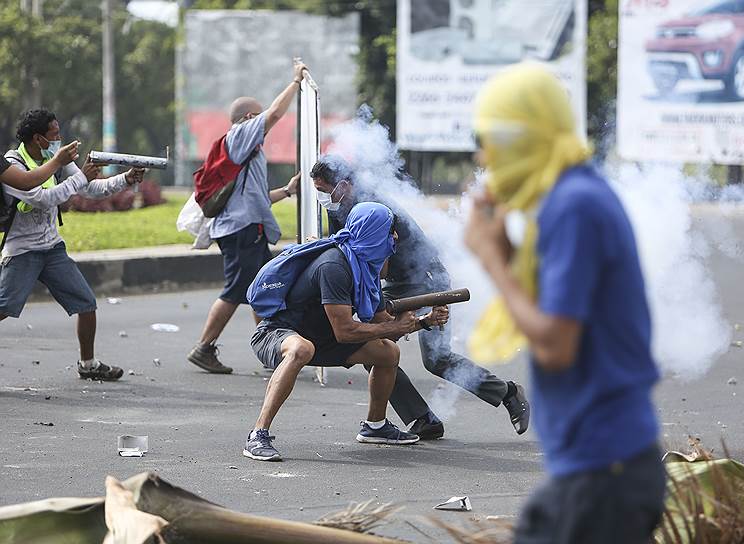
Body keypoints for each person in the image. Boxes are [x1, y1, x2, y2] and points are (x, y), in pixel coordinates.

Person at [463, 63, 665, 543]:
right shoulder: (569, 198)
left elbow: (555, 345)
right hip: (601, 466)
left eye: (487, 139)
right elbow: (552, 313)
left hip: (604, 472)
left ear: (520, 138)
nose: (480, 154)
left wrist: (491, 258)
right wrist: (508, 256)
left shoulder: (573, 207)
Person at [310, 155, 529, 440]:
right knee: (376, 350)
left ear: (343, 185)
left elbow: (377, 259)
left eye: (324, 190)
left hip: (425, 277)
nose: (322, 197)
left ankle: (509, 393)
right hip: (392, 280)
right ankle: (422, 418)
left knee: (436, 358)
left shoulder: (376, 207)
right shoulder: (338, 207)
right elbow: (342, 250)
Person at [244, 202, 448, 461]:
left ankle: (375, 426)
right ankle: (257, 434)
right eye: (389, 231)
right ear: (373, 234)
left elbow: (383, 324)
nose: (395, 237)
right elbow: (345, 332)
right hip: (278, 333)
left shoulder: (366, 268)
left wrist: (425, 321)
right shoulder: (335, 267)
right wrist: (394, 326)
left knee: (387, 353)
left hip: (323, 338)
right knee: (300, 349)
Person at [0, 109, 145, 381]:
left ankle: (88, 364)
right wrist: (80, 176)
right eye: (54, 134)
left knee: (86, 303)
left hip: (52, 247)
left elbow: (90, 189)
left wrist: (125, 178)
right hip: (22, 251)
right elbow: (42, 198)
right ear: (38, 138)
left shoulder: (57, 160)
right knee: (4, 307)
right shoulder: (14, 163)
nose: (60, 139)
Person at [186, 60, 306, 374]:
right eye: (259, 115)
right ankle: (204, 346)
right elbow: (276, 114)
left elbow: (254, 198)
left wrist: (287, 191)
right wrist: (295, 83)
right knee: (236, 289)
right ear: (250, 118)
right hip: (241, 231)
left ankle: (270, 348)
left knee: (260, 286)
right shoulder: (240, 135)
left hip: (244, 227)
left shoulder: (244, 150)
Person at [0, 140, 79, 190]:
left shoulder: (48, 158)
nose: (58, 139)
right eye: (54, 134)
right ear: (37, 139)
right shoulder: (14, 161)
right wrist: (57, 161)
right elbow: (25, 182)